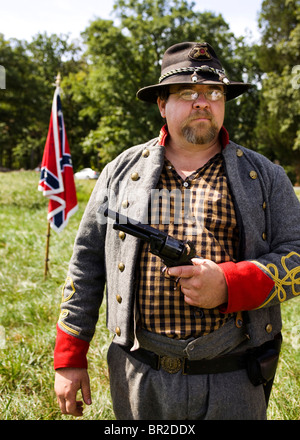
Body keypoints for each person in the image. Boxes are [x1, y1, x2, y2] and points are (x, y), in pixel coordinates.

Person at [54, 41, 300, 420]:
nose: (203, 101)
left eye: (213, 92)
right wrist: (70, 356)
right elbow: (86, 265)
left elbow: (298, 256)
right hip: (139, 372)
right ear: (162, 105)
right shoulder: (120, 173)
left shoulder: (266, 176)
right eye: (188, 93)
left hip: (233, 375)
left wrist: (229, 283)